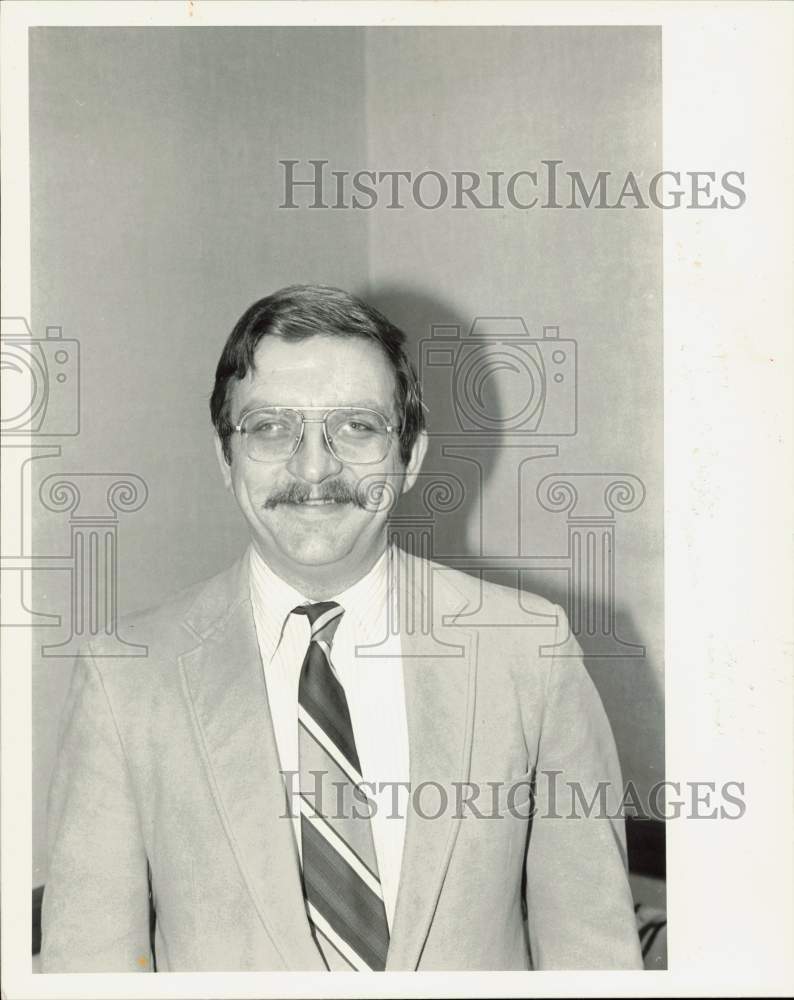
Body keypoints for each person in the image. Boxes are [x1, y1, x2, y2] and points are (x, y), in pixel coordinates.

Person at [41, 285, 643, 972]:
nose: (314, 468)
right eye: (270, 427)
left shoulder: (528, 649)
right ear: (224, 458)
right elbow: (86, 966)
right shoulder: (126, 675)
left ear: (409, 456)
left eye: (357, 426)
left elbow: (593, 953)